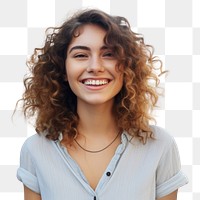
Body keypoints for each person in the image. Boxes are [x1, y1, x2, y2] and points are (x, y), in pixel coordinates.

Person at [16, 9, 188, 200]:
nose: (95, 67)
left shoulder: (160, 146)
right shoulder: (35, 150)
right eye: (81, 55)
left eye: (108, 54)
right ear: (62, 69)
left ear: (127, 67)